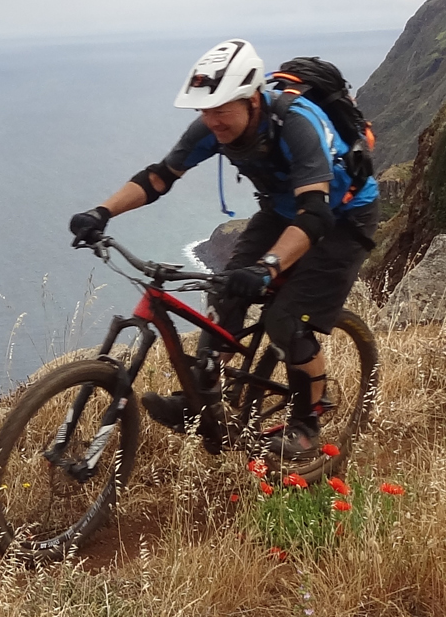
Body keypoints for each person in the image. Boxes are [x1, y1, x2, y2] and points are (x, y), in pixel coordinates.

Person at [66, 39, 378, 460]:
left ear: (252, 99)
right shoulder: (213, 127)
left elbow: (315, 215)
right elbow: (159, 177)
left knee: (288, 321)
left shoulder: (297, 124)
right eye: (204, 110)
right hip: (283, 209)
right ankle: (205, 399)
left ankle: (308, 424)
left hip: (342, 216)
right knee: (224, 289)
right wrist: (101, 212)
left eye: (220, 109)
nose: (211, 120)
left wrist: (267, 267)